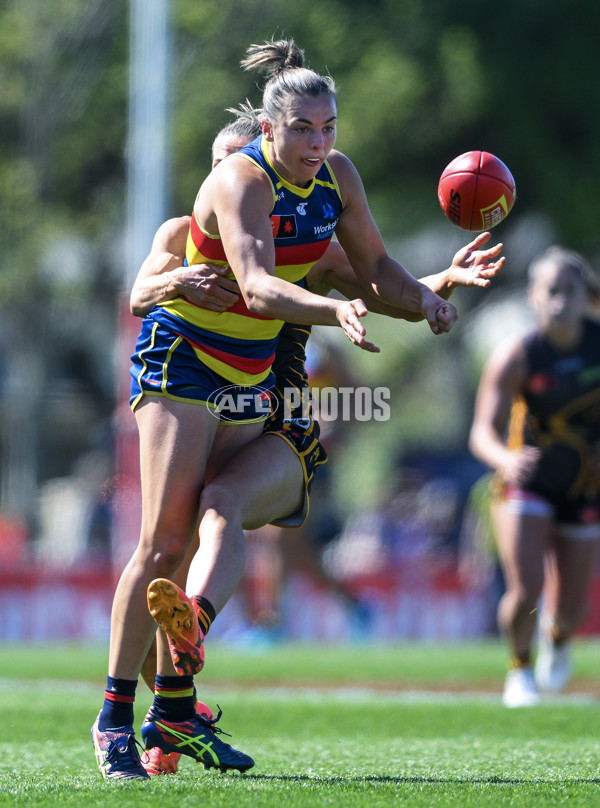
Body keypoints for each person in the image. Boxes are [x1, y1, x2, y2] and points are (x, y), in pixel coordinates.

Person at [92, 37, 503, 781]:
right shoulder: (236, 186)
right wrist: (326, 307)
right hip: (185, 369)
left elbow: (374, 271)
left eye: (329, 128)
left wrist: (432, 292)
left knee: (224, 507)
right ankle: (119, 717)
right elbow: (251, 287)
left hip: (258, 386)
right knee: (162, 545)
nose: (320, 143)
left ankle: (186, 666)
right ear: (267, 133)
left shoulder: (333, 181)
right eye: (305, 130)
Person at [469, 245, 600, 708]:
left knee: (573, 608)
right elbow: (481, 433)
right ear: (533, 297)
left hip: (584, 485)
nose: (561, 301)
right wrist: (504, 460)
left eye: (571, 290)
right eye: (552, 291)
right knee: (526, 588)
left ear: (586, 294)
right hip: (525, 480)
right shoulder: (517, 356)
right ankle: (519, 669)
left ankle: (558, 637)